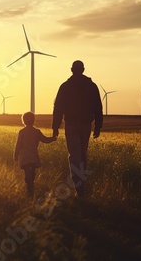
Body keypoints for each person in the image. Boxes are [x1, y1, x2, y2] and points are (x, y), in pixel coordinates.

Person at [52, 60, 103, 197]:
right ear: (83, 69)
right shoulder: (92, 86)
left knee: (75, 155)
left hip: (71, 124)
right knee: (82, 155)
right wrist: (98, 126)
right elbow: (98, 107)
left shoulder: (65, 86)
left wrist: (55, 127)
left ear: (71, 69)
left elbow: (58, 108)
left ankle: (78, 184)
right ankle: (81, 184)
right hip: (86, 125)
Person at [14, 111, 56, 196]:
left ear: (23, 121)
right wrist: (53, 138)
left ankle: (29, 185)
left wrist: (15, 155)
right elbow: (45, 140)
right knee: (32, 172)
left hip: (25, 157)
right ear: (33, 120)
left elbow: (18, 145)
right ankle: (30, 186)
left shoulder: (22, 132)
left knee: (27, 172)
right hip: (33, 156)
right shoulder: (36, 131)